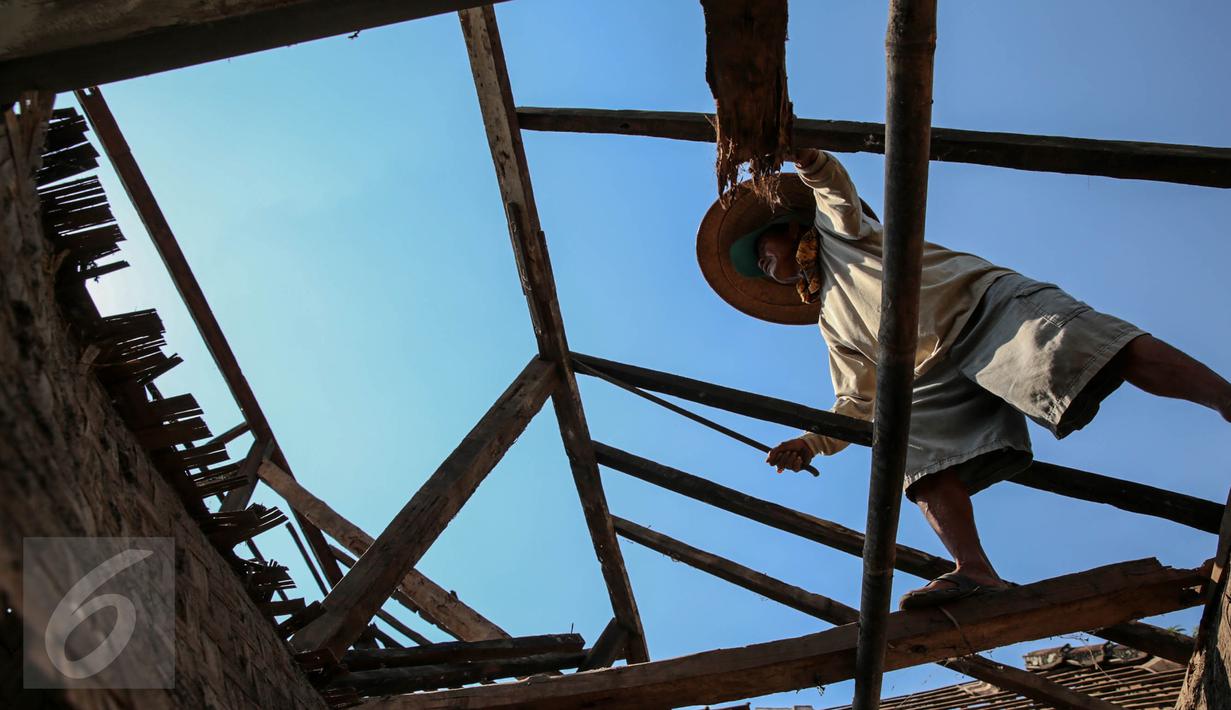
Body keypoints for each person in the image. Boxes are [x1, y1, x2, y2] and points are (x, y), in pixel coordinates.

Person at [695, 148, 1231, 609]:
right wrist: (810, 444)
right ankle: (974, 572)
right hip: (930, 371)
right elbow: (856, 403)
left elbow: (832, 187)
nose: (765, 266)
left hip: (983, 308)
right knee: (911, 456)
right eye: (760, 267)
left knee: (1102, 350)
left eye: (765, 253)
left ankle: (1225, 400)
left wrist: (805, 156)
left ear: (792, 231)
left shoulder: (842, 234)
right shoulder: (832, 320)